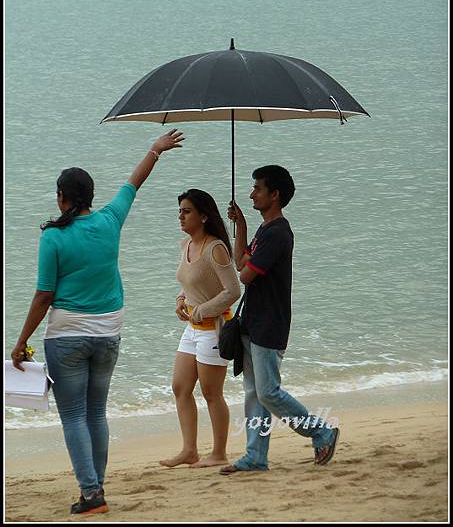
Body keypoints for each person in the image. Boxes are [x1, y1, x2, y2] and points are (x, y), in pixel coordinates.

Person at [10, 129, 184, 515]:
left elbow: (43, 296)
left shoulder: (53, 238)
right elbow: (133, 184)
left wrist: (21, 340)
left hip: (68, 338)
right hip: (108, 335)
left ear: (61, 197)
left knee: (73, 416)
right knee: (96, 413)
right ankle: (96, 487)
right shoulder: (110, 220)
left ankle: (91, 494)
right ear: (89, 196)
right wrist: (154, 149)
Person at [220, 165, 339, 475]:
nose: (252, 194)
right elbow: (240, 260)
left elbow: (245, 274)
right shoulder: (265, 229)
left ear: (275, 195)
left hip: (269, 323)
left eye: (257, 189)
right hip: (253, 321)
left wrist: (244, 266)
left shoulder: (278, 233)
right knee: (254, 393)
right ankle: (255, 457)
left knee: (268, 391)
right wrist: (242, 224)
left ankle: (322, 431)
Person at [159, 189, 241, 469]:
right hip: (192, 330)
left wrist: (201, 310)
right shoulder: (186, 245)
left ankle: (219, 452)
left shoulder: (215, 247)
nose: (181, 216)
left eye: (187, 211)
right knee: (180, 387)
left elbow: (233, 291)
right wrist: (181, 300)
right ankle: (189, 450)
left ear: (204, 216)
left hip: (213, 329)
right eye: (180, 210)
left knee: (211, 392)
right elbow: (188, 283)